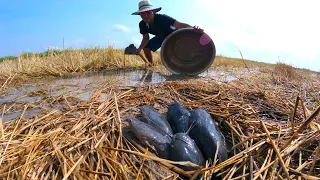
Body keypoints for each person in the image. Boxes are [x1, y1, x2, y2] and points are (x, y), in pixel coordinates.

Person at [132, 0, 204, 65]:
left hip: (174, 35)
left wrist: (193, 28)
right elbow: (145, 38)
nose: (145, 15)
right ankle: (151, 65)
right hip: (161, 37)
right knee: (146, 48)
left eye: (148, 12)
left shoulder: (163, 18)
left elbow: (180, 25)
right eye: (142, 13)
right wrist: (139, 49)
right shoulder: (142, 24)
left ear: (153, 12)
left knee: (177, 52)